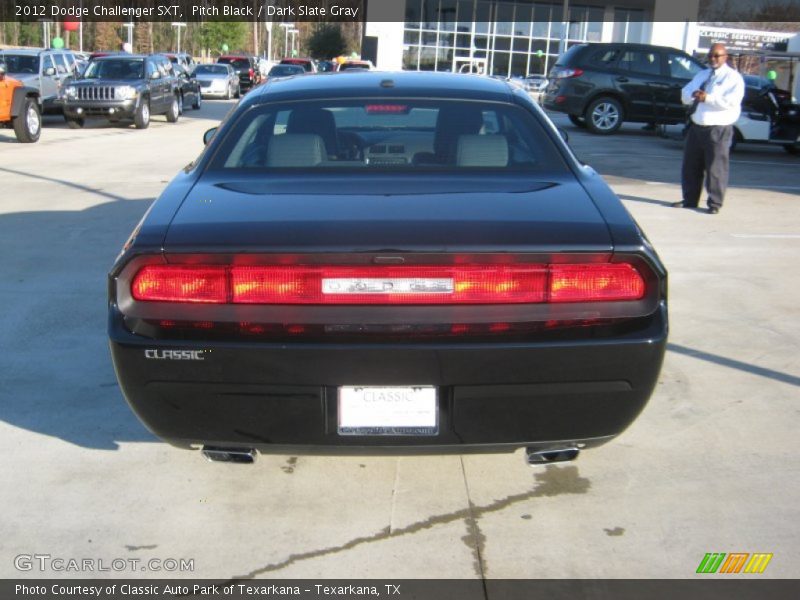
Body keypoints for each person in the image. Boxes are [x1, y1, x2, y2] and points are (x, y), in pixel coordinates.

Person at [672, 43, 744, 214]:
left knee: (715, 168)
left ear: (725, 57)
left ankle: (714, 204)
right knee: (691, 166)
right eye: (710, 55)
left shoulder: (733, 78)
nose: (713, 59)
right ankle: (690, 199)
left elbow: (731, 102)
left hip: (718, 128)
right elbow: (685, 93)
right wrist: (692, 95)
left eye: (717, 56)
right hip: (697, 126)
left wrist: (708, 98)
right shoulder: (702, 75)